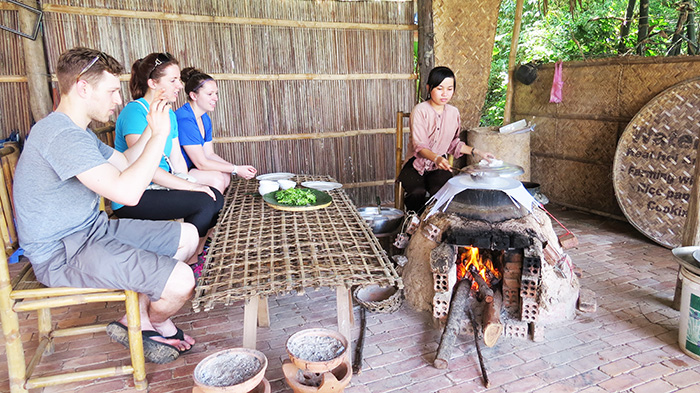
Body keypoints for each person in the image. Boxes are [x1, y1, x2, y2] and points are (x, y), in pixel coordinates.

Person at [14, 47, 197, 364]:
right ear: (83, 86)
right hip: (62, 252)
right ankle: (149, 322)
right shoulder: (60, 136)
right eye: (112, 91)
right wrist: (159, 138)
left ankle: (137, 320)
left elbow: (126, 160)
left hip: (92, 231)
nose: (117, 100)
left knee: (189, 236)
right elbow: (127, 194)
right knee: (182, 281)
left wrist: (154, 131)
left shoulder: (78, 133)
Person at [114, 53, 224, 272]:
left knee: (214, 197)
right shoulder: (135, 111)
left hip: (160, 187)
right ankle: (187, 262)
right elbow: (146, 169)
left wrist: (192, 183)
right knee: (202, 201)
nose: (179, 85)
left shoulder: (169, 114)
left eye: (178, 80)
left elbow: (177, 165)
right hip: (134, 194)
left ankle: (196, 253)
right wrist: (193, 187)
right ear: (153, 83)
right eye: (172, 80)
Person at [398, 66, 495, 213]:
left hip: (438, 166)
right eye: (439, 88)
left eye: (449, 89)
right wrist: (436, 158)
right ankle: (414, 224)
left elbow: (453, 144)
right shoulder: (420, 110)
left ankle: (436, 225)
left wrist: (478, 152)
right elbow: (420, 146)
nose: (445, 94)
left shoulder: (453, 113)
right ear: (429, 88)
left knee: (446, 191)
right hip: (415, 164)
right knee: (417, 192)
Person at [176, 67, 257, 193]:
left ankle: (214, 209)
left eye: (216, 93)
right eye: (209, 94)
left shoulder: (204, 118)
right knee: (217, 178)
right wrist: (236, 169)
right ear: (193, 95)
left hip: (192, 168)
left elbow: (209, 154)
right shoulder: (185, 119)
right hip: (178, 172)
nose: (216, 98)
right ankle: (210, 210)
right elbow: (201, 163)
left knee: (225, 175)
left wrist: (236, 168)